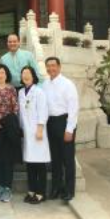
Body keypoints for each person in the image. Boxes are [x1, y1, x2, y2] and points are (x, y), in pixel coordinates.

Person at [42, 57, 79, 202]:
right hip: (51, 123)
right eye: (48, 66)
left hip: (64, 122)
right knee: (55, 159)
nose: (51, 68)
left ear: (59, 67)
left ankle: (69, 191)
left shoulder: (67, 84)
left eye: (53, 65)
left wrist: (70, 129)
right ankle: (56, 188)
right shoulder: (45, 84)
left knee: (68, 159)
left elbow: (73, 108)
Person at [19, 66, 50, 204]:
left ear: (33, 76)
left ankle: (41, 193)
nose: (25, 76)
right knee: (30, 164)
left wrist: (40, 129)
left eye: (28, 73)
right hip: (26, 132)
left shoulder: (39, 92)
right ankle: (31, 190)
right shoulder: (20, 92)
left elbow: (43, 111)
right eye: (23, 73)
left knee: (39, 164)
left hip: (38, 132)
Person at [0, 64, 20, 203]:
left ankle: (8, 188)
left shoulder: (11, 89)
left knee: (8, 160)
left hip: (8, 129)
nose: (0, 75)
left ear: (6, 74)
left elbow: (15, 109)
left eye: (2, 72)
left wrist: (7, 123)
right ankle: (0, 186)